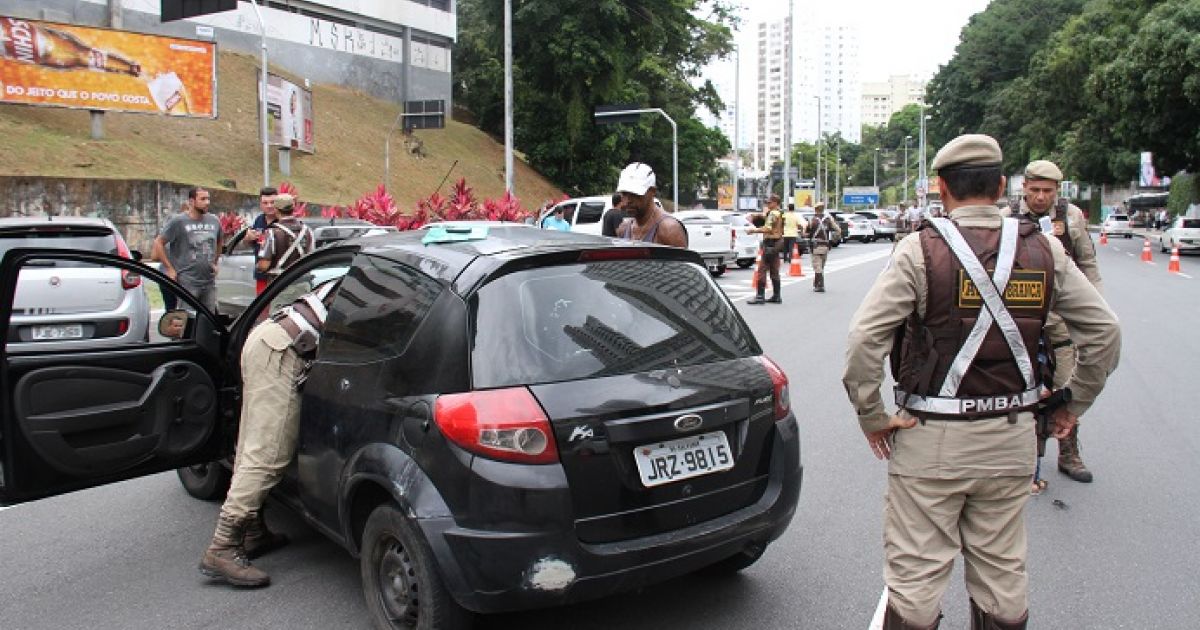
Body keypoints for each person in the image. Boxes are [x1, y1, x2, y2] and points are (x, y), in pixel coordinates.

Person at [842, 134, 1121, 630]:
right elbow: (1104, 332)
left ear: (942, 187)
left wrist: (873, 416)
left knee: (916, 578)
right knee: (1002, 575)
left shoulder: (919, 249)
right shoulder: (1044, 249)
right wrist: (1073, 402)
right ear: (1000, 186)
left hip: (930, 439)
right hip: (1011, 438)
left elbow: (865, 339)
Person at [199, 278, 342, 587]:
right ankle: (223, 546)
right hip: (283, 351)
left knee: (252, 445)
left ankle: (253, 531)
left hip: (273, 339)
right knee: (268, 453)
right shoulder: (390, 282)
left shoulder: (374, 274)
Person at [1008, 159, 1102, 484]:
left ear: (1057, 190)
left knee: (1065, 387)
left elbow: (1088, 264)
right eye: (1034, 189)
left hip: (1060, 322)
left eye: (1047, 191)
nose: (1040, 197)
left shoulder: (1070, 217)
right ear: (1024, 187)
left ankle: (1068, 452)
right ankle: (1021, 458)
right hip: (1019, 320)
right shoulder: (1006, 217)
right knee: (1017, 390)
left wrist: (1093, 310)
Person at [153, 187, 222, 313]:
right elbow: (158, 242)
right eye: (203, 199)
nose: (207, 202)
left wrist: (215, 262)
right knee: (187, 318)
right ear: (192, 201)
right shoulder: (178, 221)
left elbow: (219, 241)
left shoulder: (214, 221)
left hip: (208, 282)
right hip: (187, 281)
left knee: (209, 318)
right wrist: (169, 268)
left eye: (208, 199)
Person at [615, 162, 688, 247]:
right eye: (624, 194)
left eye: (635, 194)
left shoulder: (669, 229)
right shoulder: (624, 229)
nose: (628, 200)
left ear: (652, 192)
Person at [256, 194, 315, 282]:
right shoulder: (308, 231)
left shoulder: (272, 233)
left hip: (280, 284)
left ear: (276, 209)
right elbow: (312, 258)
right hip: (303, 282)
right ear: (293, 208)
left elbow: (264, 265)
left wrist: (258, 266)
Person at [746, 194, 785, 304]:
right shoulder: (780, 213)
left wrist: (753, 230)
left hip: (770, 243)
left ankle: (760, 296)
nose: (768, 204)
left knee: (762, 270)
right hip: (776, 244)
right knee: (774, 270)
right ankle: (777, 296)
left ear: (775, 203)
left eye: (769, 202)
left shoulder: (773, 213)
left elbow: (768, 228)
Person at [245, 187, 278, 295]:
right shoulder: (259, 220)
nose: (269, 206)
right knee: (262, 305)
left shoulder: (283, 221)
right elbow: (250, 244)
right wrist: (248, 238)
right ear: (260, 204)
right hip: (261, 275)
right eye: (265, 203)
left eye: (272, 202)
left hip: (279, 277)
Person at [805, 203, 841, 292]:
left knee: (817, 266)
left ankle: (820, 285)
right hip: (825, 245)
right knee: (821, 266)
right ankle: (816, 283)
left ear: (815, 209)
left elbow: (806, 233)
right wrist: (834, 240)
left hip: (815, 246)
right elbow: (838, 230)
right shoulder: (828, 220)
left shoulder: (812, 220)